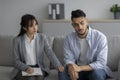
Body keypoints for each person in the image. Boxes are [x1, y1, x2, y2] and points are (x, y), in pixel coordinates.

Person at [59, 9, 112, 80]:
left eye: (82, 23)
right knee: (62, 72)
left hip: (94, 69)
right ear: (73, 25)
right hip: (77, 69)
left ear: (86, 21)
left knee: (97, 75)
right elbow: (68, 58)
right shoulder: (69, 38)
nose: (80, 27)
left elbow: (101, 62)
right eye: (76, 25)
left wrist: (80, 68)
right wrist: (71, 67)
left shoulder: (100, 37)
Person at [11, 14, 64, 80]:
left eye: (36, 24)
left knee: (39, 78)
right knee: (31, 78)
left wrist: (58, 65)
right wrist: (26, 68)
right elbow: (15, 60)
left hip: (38, 67)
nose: (35, 27)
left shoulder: (42, 37)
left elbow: (50, 52)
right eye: (31, 26)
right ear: (24, 27)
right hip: (24, 68)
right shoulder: (17, 40)